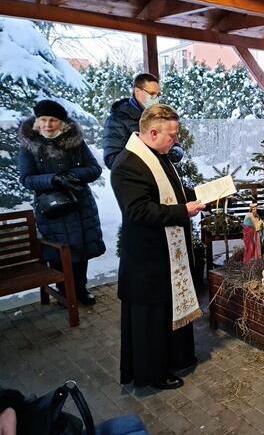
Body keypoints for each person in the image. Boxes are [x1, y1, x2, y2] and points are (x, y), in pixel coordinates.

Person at [111, 104, 205, 390]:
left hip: (165, 255)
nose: (176, 141)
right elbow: (139, 211)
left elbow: (173, 193)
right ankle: (152, 374)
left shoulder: (158, 155)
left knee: (169, 309)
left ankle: (176, 358)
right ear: (152, 133)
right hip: (146, 259)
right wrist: (183, 212)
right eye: (172, 135)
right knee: (151, 319)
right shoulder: (128, 164)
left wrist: (201, 194)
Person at [18, 100, 105, 306]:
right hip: (53, 206)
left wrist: (71, 175)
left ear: (62, 123)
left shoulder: (75, 142)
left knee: (80, 249)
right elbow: (26, 179)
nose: (48, 124)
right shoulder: (30, 145)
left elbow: (94, 169)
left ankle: (80, 289)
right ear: (37, 121)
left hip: (79, 204)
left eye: (53, 120)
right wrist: (54, 179)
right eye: (43, 120)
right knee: (59, 250)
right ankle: (64, 291)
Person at [104, 73, 173, 170]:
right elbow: (112, 160)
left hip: (159, 177)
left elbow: (170, 143)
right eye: (152, 94)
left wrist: (175, 149)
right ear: (137, 91)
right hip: (135, 181)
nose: (156, 99)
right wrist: (145, 158)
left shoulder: (158, 116)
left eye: (158, 95)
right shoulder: (117, 119)